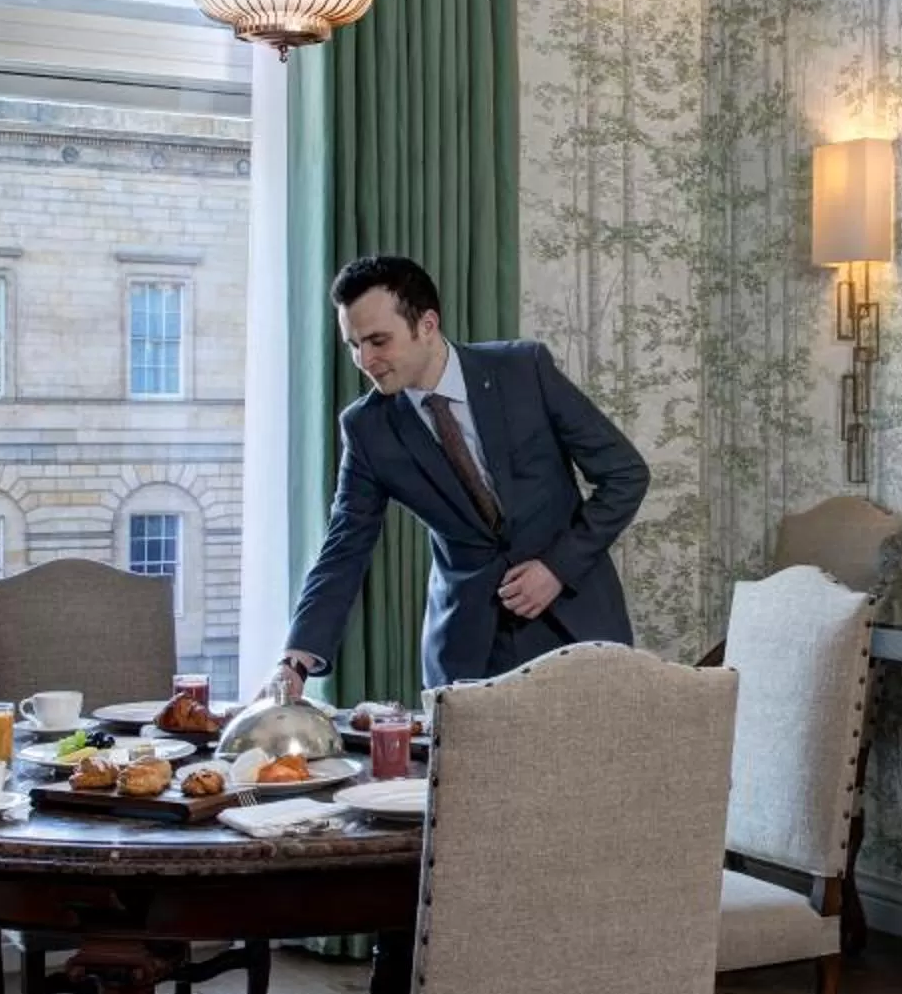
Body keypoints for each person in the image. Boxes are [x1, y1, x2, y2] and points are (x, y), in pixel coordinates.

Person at [273, 255, 648, 695]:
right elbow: (344, 548)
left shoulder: (524, 369)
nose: (365, 360)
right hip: (470, 651)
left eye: (377, 341)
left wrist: (557, 567)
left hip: (577, 623)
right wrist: (294, 662)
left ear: (427, 325)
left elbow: (625, 475)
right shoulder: (367, 428)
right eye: (354, 345)